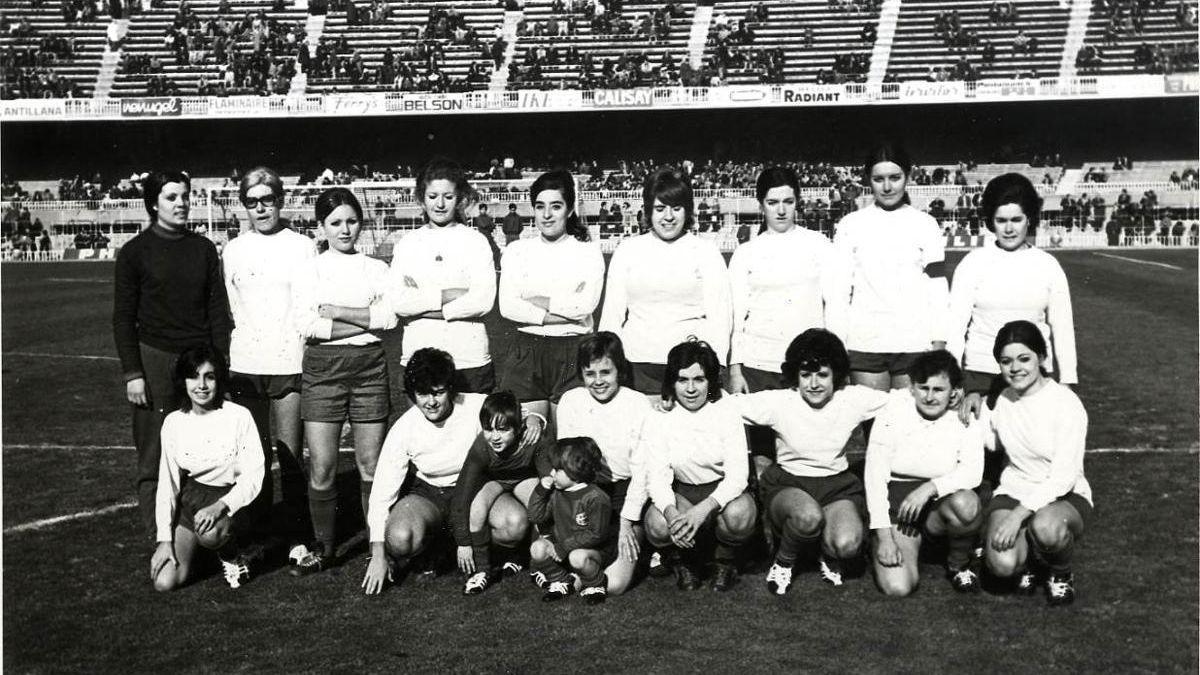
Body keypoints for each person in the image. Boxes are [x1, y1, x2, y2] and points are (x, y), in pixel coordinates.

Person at [362, 348, 546, 594]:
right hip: (429, 495)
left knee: (514, 524)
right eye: (422, 394)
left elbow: (515, 410)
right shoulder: (404, 428)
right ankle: (438, 546)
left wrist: (533, 418)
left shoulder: (474, 405)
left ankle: (485, 551)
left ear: (450, 388)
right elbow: (382, 492)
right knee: (400, 538)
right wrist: (377, 554)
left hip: (475, 489)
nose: (431, 402)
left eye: (438, 392)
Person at [113, 170, 232, 540]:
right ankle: (160, 539)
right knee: (154, 455)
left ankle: (208, 533)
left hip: (198, 362)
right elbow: (122, 319)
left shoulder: (202, 249)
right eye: (171, 197)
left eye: (184, 195)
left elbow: (217, 314)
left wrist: (218, 369)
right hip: (154, 360)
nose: (180, 203)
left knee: (209, 450)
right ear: (153, 203)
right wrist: (134, 372)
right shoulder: (134, 252)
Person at [729, 329, 889, 595]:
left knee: (848, 544)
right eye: (805, 375)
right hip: (789, 485)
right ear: (795, 376)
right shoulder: (781, 401)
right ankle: (783, 562)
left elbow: (900, 402)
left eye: (822, 375)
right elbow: (727, 407)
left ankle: (823, 551)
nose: (814, 384)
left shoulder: (852, 399)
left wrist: (958, 395)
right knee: (807, 516)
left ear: (836, 374)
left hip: (836, 487)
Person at [289, 187, 398, 575]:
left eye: (352, 221)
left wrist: (336, 312)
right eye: (335, 222)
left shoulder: (377, 269)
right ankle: (326, 547)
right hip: (322, 369)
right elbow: (306, 325)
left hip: (369, 366)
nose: (345, 229)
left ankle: (376, 545)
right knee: (322, 466)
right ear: (321, 227)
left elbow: (390, 319)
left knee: (371, 465)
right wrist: (360, 319)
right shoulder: (310, 269)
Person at [222, 166, 316, 543]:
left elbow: (308, 305)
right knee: (253, 461)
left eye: (268, 200)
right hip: (245, 365)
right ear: (244, 205)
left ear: (281, 200)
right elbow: (233, 308)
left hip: (288, 362)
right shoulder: (233, 250)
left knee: (291, 457)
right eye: (252, 202)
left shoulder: (301, 246)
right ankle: (259, 539)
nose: (261, 209)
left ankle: (296, 539)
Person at [948, 172, 1077, 419]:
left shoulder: (1047, 265)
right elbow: (954, 327)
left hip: (1033, 375)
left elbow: (1063, 326)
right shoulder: (972, 263)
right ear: (990, 221)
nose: (1009, 229)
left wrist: (1068, 380)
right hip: (981, 375)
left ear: (1029, 219)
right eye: (1001, 220)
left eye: (1016, 219)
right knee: (983, 454)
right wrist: (953, 380)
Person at [982, 320, 1092, 606]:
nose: (1015, 368)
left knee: (1046, 528)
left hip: (1063, 496)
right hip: (1015, 490)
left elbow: (1062, 478)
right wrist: (973, 407)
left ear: (1042, 358)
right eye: (1006, 361)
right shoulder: (1004, 399)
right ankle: (1031, 558)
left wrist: (1017, 516)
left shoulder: (1066, 404)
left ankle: (1060, 572)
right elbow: (990, 442)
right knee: (1003, 565)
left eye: (1024, 358)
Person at [599, 168, 732, 395]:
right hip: (636, 365)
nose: (668, 217)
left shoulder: (705, 252)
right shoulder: (628, 250)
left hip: (689, 369)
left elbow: (721, 316)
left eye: (676, 208)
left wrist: (713, 366)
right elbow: (612, 315)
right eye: (660, 208)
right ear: (649, 209)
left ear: (687, 210)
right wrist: (606, 364)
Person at [864, 350, 985, 597]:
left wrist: (930, 488)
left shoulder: (962, 414)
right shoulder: (892, 408)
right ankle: (885, 542)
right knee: (898, 587)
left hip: (936, 504)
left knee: (967, 503)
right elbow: (874, 475)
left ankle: (958, 563)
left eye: (939, 390)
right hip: (898, 506)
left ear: (954, 391)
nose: (929, 397)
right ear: (911, 387)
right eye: (923, 388)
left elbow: (973, 472)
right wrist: (885, 537)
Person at [832, 142, 949, 393]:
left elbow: (938, 289)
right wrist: (837, 346)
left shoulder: (925, 224)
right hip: (865, 344)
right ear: (868, 180)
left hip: (914, 344)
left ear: (908, 176)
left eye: (895, 178)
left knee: (909, 427)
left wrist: (939, 343)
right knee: (872, 426)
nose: (887, 187)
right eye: (879, 179)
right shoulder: (850, 225)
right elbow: (838, 292)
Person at [643, 340, 756, 592]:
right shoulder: (660, 416)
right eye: (683, 380)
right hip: (683, 493)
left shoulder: (726, 410)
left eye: (699, 379)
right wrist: (673, 515)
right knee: (657, 523)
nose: (691, 389)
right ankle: (683, 561)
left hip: (719, 495)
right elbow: (658, 479)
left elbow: (738, 476)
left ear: (711, 381)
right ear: (672, 382)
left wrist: (702, 510)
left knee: (741, 515)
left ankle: (724, 559)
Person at [389, 158, 497, 418]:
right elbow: (399, 303)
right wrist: (450, 295)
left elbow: (483, 301)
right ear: (421, 198)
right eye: (433, 196)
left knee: (473, 445)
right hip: (419, 355)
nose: (440, 204)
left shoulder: (475, 241)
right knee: (423, 444)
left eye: (448, 196)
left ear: (458, 197)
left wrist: (422, 304)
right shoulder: (408, 243)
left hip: (468, 358)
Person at [150, 346, 263, 591]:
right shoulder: (173, 422)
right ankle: (201, 554)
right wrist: (164, 540)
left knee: (211, 534)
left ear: (218, 379)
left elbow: (253, 477)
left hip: (231, 502)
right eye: (193, 376)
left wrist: (220, 506)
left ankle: (235, 555)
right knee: (164, 582)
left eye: (209, 377)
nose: (201, 385)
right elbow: (167, 483)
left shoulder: (239, 416)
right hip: (192, 500)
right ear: (183, 381)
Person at [498, 170, 605, 422]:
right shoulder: (517, 251)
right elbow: (508, 307)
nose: (546, 215)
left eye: (556, 206)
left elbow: (584, 306)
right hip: (526, 350)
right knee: (528, 444)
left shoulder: (588, 252)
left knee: (570, 445)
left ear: (569, 210)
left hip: (573, 351)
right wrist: (565, 313)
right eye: (540, 206)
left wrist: (534, 302)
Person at [556, 331, 653, 593]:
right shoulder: (571, 401)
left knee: (615, 585)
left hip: (625, 496)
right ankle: (588, 560)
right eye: (590, 374)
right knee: (574, 580)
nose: (598, 381)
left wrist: (626, 523)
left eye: (605, 373)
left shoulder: (638, 404)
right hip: (585, 495)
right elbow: (568, 465)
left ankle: (629, 553)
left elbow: (642, 473)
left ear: (619, 371)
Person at [450, 391, 552, 595]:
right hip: (494, 480)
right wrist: (463, 542)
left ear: (519, 427)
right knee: (476, 509)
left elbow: (548, 479)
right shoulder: (482, 446)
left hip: (525, 477)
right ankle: (482, 570)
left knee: (541, 504)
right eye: (489, 429)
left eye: (503, 429)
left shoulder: (532, 438)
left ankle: (539, 564)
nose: (494, 436)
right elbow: (462, 493)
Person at [527, 436, 614, 603]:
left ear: (574, 471)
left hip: (592, 551)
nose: (551, 473)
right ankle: (561, 581)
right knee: (537, 548)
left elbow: (597, 534)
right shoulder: (556, 493)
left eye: (557, 469)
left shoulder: (595, 498)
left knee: (577, 557)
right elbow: (535, 516)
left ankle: (595, 584)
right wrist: (541, 491)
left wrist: (565, 547)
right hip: (562, 549)